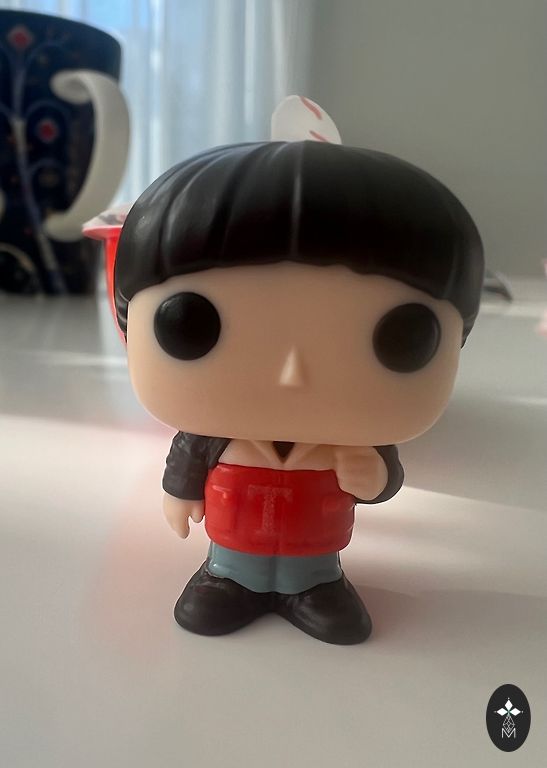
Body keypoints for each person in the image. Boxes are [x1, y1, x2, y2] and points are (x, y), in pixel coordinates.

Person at [114, 140, 484, 644]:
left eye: (401, 337)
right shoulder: (212, 435)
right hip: (234, 542)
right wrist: (180, 491)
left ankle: (312, 589)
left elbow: (385, 480)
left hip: (316, 549)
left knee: (309, 572)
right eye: (192, 323)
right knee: (233, 568)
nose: (293, 374)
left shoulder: (354, 444)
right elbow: (188, 454)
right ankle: (227, 581)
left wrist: (372, 474)